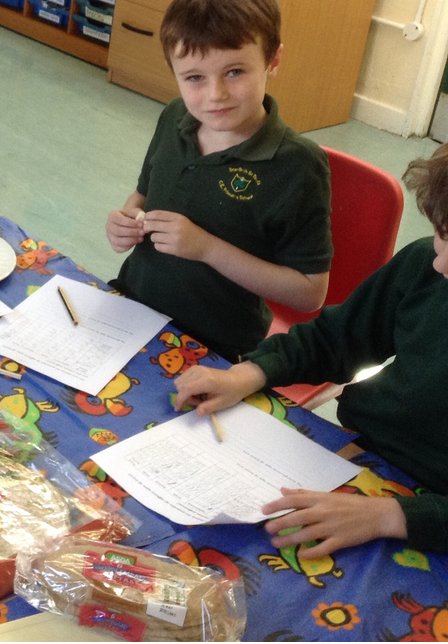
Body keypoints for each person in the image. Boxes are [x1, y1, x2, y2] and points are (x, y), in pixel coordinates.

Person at [175, 144, 448, 557]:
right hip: (365, 455)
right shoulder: (425, 265)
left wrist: (391, 516)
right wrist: (252, 373)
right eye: (442, 235)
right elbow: (336, 340)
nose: (439, 264)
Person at [105, 0, 331, 361]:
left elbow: (310, 292)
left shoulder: (298, 167)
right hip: (132, 311)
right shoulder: (175, 116)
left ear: (273, 59)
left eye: (235, 72)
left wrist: (206, 248)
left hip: (215, 347)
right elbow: (143, 196)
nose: (216, 95)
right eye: (194, 78)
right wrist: (125, 220)